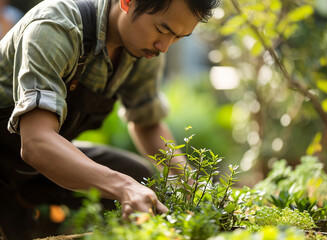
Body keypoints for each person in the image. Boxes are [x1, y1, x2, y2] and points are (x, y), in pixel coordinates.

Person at [0, 0, 219, 238]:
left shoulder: (145, 49)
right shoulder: (56, 27)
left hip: (34, 171)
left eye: (178, 37)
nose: (164, 46)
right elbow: (36, 144)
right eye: (162, 30)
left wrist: (193, 185)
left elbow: (147, 122)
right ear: (127, 2)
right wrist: (123, 187)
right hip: (20, 155)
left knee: (140, 177)